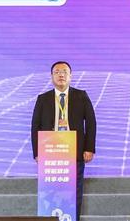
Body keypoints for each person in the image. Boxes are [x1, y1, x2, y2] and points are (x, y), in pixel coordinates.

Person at [32, 61, 96, 221]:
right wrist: (37, 152)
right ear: (51, 76)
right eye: (57, 72)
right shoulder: (43, 98)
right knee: (51, 191)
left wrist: (89, 148)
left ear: (70, 76)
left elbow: (91, 122)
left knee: (75, 191)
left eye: (64, 72)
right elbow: (35, 126)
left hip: (75, 150)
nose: (61, 75)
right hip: (50, 151)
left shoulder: (81, 96)